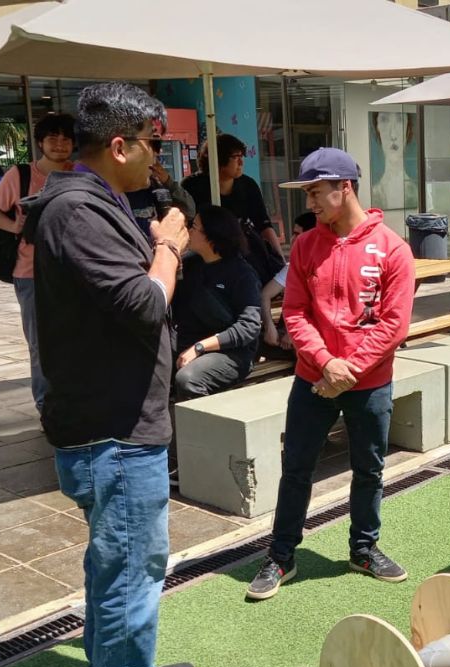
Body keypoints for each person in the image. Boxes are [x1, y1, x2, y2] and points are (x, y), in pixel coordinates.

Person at [24, 82, 206, 667]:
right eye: (153, 144)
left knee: (118, 563)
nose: (159, 156)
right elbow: (145, 303)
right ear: (120, 145)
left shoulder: (93, 203)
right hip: (113, 430)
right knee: (131, 564)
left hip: (113, 421)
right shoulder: (78, 209)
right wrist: (169, 245)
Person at [246, 148, 415, 601]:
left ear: (346, 188)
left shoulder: (393, 249)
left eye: (316, 192)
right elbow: (295, 312)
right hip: (313, 378)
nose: (310, 203)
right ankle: (281, 555)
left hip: (369, 383)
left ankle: (364, 549)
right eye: (308, 193)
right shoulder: (305, 246)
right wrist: (326, 363)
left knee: (369, 469)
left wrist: (349, 370)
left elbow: (394, 324)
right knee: (296, 468)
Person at [0, 113, 75, 415]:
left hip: (74, 272)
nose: (60, 144)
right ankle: (46, 405)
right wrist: (14, 227)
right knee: (40, 343)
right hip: (30, 273)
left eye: (66, 138)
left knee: (74, 338)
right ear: (40, 142)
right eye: (53, 138)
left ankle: (73, 398)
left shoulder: (80, 173)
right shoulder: (21, 175)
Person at [172, 204, 262, 401]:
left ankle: (201, 421)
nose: (188, 230)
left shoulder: (242, 274)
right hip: (188, 341)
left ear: (212, 236)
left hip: (231, 352)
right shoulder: (190, 265)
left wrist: (200, 347)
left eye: (194, 226)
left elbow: (249, 326)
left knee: (188, 379)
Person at [180, 133, 283, 257]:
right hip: (202, 255)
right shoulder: (192, 186)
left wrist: (280, 259)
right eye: (235, 157)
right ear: (219, 159)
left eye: (242, 156)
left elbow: (264, 225)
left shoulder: (248, 185)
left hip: (243, 253)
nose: (241, 162)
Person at [260, 211, 317, 353]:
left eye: (297, 234)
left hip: (312, 337)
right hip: (290, 332)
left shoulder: (326, 267)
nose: (292, 239)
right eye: (293, 234)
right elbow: (265, 295)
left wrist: (295, 333)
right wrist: (269, 327)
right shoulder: (293, 267)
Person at [370, 111, 419, 210]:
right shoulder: (374, 194)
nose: (393, 135)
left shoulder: (419, 193)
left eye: (400, 120)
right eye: (384, 120)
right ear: (377, 128)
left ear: (408, 129)